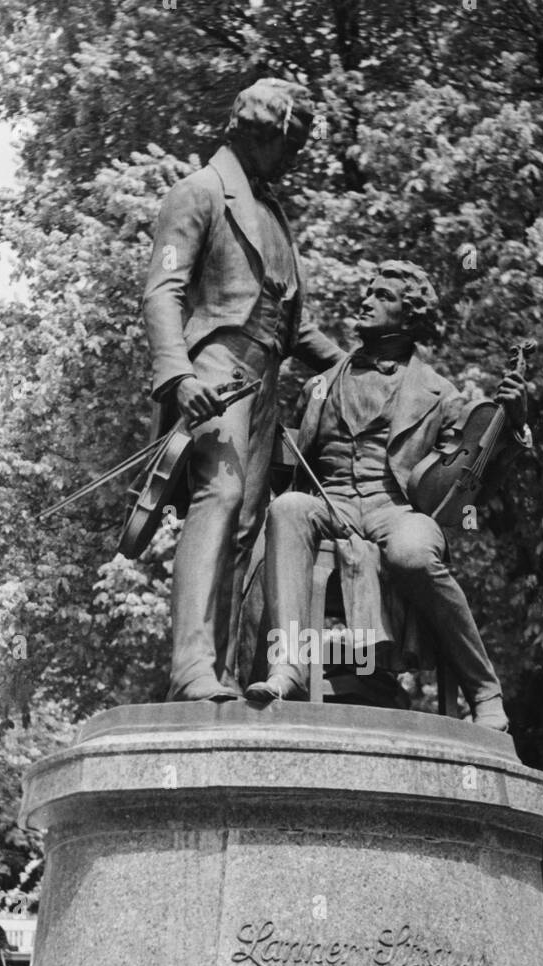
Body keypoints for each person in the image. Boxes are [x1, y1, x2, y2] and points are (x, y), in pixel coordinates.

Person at [244, 260, 531, 730]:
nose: (367, 300)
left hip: (397, 508)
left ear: (409, 314)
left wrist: (513, 423)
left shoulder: (440, 393)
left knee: (412, 554)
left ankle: (485, 691)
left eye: (383, 296)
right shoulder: (321, 385)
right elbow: (293, 463)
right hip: (330, 500)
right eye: (369, 291)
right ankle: (288, 666)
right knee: (289, 507)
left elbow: (470, 483)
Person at [143, 78, 342, 702]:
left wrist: (349, 369)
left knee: (247, 526)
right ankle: (191, 668)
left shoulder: (274, 214)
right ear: (260, 132)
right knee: (220, 496)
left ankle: (219, 674)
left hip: (266, 385)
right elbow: (163, 291)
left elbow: (294, 324)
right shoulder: (198, 192)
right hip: (215, 371)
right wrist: (178, 376)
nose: (294, 159)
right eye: (290, 145)